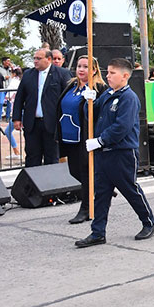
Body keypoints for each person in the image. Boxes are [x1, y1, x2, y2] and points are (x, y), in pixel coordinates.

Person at [75, 58, 154, 248]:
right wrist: (89, 101)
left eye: (112, 73)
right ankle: (98, 232)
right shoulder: (108, 94)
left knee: (130, 190)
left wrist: (100, 140)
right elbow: (93, 115)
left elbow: (122, 127)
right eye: (108, 72)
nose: (108, 76)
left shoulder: (129, 98)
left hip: (122, 153)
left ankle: (149, 222)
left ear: (125, 75)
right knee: (101, 194)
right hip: (104, 154)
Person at [57, 56, 108, 224]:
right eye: (79, 66)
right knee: (74, 171)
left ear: (94, 70)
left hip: (85, 138)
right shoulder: (71, 86)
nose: (81, 69)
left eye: (86, 67)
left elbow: (103, 113)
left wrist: (93, 101)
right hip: (68, 136)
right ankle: (98, 186)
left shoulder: (98, 88)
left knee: (85, 172)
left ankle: (86, 208)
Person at [11, 49, 68, 167]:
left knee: (52, 158)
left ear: (48, 59)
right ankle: (31, 185)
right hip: (32, 124)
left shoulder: (61, 74)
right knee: (32, 157)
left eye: (38, 58)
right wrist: (16, 118)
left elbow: (67, 98)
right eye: (34, 58)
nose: (35, 61)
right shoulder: (28, 75)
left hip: (52, 125)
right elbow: (20, 98)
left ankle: (51, 185)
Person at [3, 67, 22, 160]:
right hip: (20, 110)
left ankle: (16, 152)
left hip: (17, 110)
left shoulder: (14, 82)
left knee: (8, 131)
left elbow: (9, 96)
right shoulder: (20, 81)